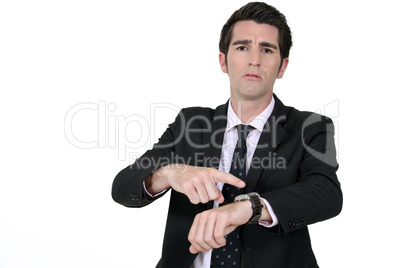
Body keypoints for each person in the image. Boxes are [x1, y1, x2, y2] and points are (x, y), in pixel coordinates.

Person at [112, 2, 342, 268]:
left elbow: (327, 193)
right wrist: (169, 173)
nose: (254, 59)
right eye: (242, 47)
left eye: (266, 49)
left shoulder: (311, 127)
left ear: (282, 67)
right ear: (223, 60)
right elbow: (122, 187)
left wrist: (249, 208)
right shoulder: (190, 123)